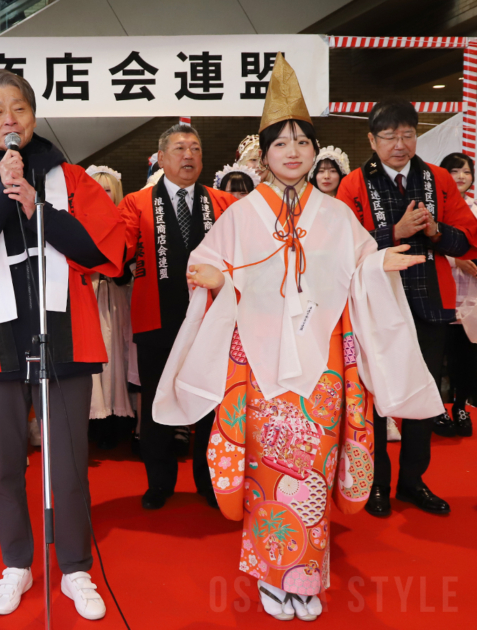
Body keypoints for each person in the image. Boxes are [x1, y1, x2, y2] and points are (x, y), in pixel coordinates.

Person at [154, 53, 442, 622]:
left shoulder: (334, 214)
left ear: (314, 151)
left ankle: (304, 576)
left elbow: (356, 266)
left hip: (322, 361)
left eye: (302, 143)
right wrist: (215, 280)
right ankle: (271, 572)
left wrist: (377, 264)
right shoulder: (241, 214)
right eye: (281, 143)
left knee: (313, 462)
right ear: (264, 153)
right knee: (267, 465)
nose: (292, 152)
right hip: (258, 364)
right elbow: (205, 265)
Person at [0, 69, 125, 620]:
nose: (9, 120)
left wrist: (40, 207)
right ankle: (16, 561)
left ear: (33, 116)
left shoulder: (73, 180)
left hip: (66, 333)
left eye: (18, 109)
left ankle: (76, 567)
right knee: (7, 462)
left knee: (69, 463)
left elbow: (104, 249)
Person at [337, 96, 477, 517]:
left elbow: (468, 239)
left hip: (430, 302)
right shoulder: (353, 185)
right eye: (389, 136)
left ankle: (412, 481)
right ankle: (377, 482)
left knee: (424, 393)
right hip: (376, 307)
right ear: (371, 140)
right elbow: (341, 249)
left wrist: (436, 232)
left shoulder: (438, 178)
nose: (399, 144)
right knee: (377, 393)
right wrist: (393, 232)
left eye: (408, 134)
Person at [120, 123, 238, 511]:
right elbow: (119, 252)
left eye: (195, 149)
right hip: (156, 319)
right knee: (157, 400)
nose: (189, 155)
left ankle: (209, 481)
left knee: (210, 401)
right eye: (179, 148)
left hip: (212, 321)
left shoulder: (223, 202)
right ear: (161, 158)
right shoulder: (136, 203)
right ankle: (159, 481)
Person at [86, 165, 134, 449]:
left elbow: (124, 272)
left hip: (116, 298)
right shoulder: (77, 222)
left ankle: (117, 418)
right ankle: (93, 417)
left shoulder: (125, 224)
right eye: (96, 190)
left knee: (117, 353)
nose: (102, 195)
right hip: (88, 296)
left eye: (107, 190)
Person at [440, 151, 476, 437]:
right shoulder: (436, 210)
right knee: (437, 357)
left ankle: (461, 406)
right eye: (454, 171)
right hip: (440, 295)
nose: (461, 176)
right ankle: (437, 410)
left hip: (471, 298)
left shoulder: (475, 209)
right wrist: (457, 260)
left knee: (467, 359)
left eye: (466, 171)